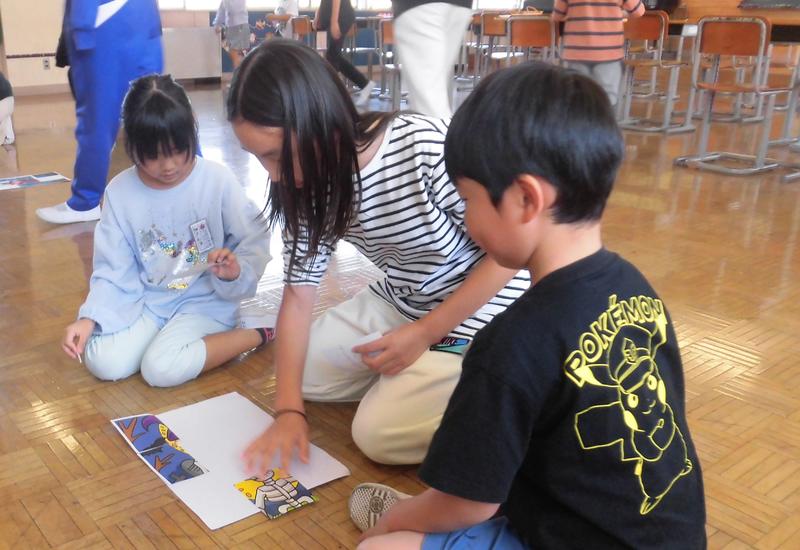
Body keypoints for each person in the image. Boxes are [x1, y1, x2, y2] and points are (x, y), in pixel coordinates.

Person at [348, 62, 706, 549]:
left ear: (524, 198)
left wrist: (394, 521)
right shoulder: (636, 288)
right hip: (673, 537)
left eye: (468, 199)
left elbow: (469, 503)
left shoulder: (510, 342)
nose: (466, 218)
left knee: (378, 546)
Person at [227, 40, 529, 469]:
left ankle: (507, 387)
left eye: (275, 155)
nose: (273, 176)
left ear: (319, 120)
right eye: (258, 157)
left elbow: (508, 257)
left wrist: (426, 333)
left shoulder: (424, 147)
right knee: (302, 375)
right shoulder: (308, 188)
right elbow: (297, 297)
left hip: (488, 307)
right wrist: (288, 410)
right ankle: (426, 376)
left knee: (379, 435)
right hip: (406, 299)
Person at [61, 75, 273, 388]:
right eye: (153, 156)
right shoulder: (119, 192)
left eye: (177, 150)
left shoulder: (216, 179)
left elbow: (253, 237)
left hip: (206, 302)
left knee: (160, 369)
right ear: (133, 146)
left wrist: (235, 270)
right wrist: (90, 318)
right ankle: (165, 339)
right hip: (150, 302)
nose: (169, 166)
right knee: (103, 360)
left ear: (191, 132)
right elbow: (113, 270)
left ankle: (253, 334)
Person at [36, 0, 164, 225]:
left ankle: (85, 201)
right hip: (143, 24)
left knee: (97, 121)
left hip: (102, 29)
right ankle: (198, 179)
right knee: (157, 107)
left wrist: (81, 32)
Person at [552, 0, 645, 106]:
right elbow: (639, 11)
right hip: (608, 52)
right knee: (607, 97)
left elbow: (558, 15)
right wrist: (619, 12)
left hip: (577, 52)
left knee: (578, 97)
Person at [391, 0, 472, 118]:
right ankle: (446, 127)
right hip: (461, 6)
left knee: (429, 103)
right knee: (440, 90)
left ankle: (438, 128)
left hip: (416, 5)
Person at [314, 0, 376, 106]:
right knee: (333, 56)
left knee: (332, 56)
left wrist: (334, 21)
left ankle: (331, 96)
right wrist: (318, 14)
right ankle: (364, 84)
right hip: (331, 15)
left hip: (340, 15)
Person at [214, 0, 250, 70]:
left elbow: (233, 10)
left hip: (240, 26)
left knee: (236, 53)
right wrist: (217, 24)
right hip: (232, 27)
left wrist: (218, 23)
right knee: (235, 54)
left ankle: (240, 73)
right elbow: (221, 11)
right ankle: (241, 72)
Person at [0, 71, 14, 145]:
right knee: (5, 116)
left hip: (3, 103)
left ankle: (7, 137)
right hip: (9, 101)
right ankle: (8, 137)